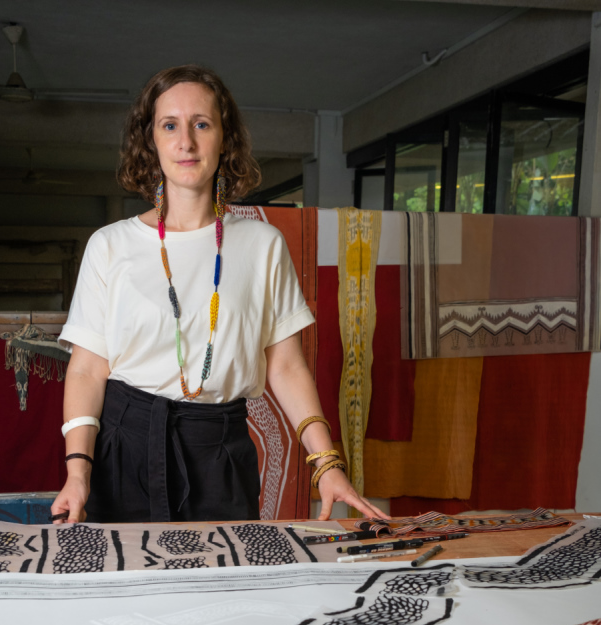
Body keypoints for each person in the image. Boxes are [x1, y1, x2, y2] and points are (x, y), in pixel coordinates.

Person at [51, 65, 387, 525]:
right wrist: (78, 472)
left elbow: (286, 366)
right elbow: (88, 370)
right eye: (169, 125)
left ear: (224, 138)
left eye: (201, 124)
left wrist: (326, 464)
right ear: (150, 140)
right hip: (124, 449)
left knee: (225, 589)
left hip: (221, 453)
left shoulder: (262, 244)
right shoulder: (109, 245)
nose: (185, 141)